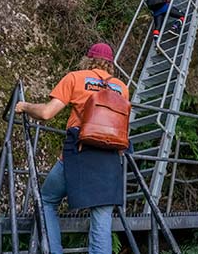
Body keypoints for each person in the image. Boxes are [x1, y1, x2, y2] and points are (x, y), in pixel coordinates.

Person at [15, 43, 129, 254]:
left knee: (47, 200)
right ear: (111, 64)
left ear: (89, 59)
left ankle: (54, 251)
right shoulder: (122, 88)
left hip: (79, 154)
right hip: (110, 159)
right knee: (102, 216)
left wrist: (25, 106)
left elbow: (47, 113)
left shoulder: (75, 78)